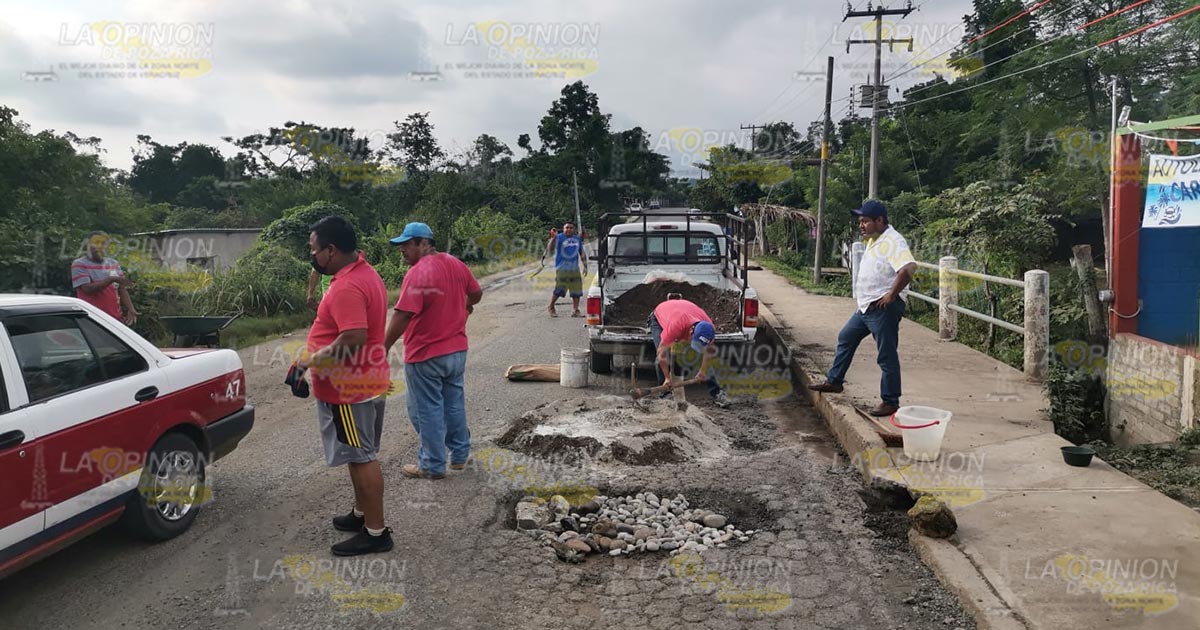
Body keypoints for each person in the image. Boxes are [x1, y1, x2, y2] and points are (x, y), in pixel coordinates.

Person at [297, 216, 393, 555]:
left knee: (361, 456)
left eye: (314, 250)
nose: (313, 256)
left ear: (331, 250)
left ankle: (376, 532)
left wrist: (308, 361)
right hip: (364, 382)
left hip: (348, 390)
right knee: (358, 454)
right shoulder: (363, 272)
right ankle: (361, 513)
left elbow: (352, 337)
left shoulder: (347, 286)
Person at [385, 222, 483, 480]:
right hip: (456, 351)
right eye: (401, 245)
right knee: (453, 404)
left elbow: (403, 314)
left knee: (424, 410)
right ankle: (459, 456)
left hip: (425, 354)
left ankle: (432, 464)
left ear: (423, 243)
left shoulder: (418, 273)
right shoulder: (455, 263)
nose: (402, 250)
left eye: (407, 244)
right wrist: (463, 304)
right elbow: (476, 293)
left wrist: (381, 347)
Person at [808, 200, 915, 417]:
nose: (861, 225)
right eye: (860, 221)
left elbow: (908, 268)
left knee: (886, 355)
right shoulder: (876, 240)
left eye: (865, 221)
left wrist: (891, 295)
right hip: (867, 307)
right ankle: (835, 381)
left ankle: (890, 401)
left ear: (880, 220)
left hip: (882, 308)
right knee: (846, 337)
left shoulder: (893, 241)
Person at [649, 297, 731, 407]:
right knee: (663, 355)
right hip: (659, 316)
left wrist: (703, 371)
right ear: (691, 331)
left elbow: (709, 352)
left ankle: (717, 393)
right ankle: (665, 393)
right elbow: (661, 352)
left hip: (684, 311)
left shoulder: (708, 329)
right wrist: (667, 378)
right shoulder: (676, 325)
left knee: (707, 362)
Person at [71, 231, 138, 325]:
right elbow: (87, 289)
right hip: (92, 320)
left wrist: (131, 308)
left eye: (103, 243)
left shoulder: (114, 263)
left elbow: (121, 289)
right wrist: (111, 279)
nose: (100, 246)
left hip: (115, 319)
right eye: (96, 243)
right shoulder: (79, 264)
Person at [543, 222, 587, 318]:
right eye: (566, 228)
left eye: (571, 228)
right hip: (562, 268)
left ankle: (575, 310)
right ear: (563, 229)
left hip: (574, 268)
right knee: (560, 289)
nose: (569, 229)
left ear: (574, 229)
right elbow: (549, 249)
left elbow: (582, 252)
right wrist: (553, 238)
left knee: (576, 290)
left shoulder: (577, 239)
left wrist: (585, 266)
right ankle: (551, 306)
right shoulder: (559, 237)